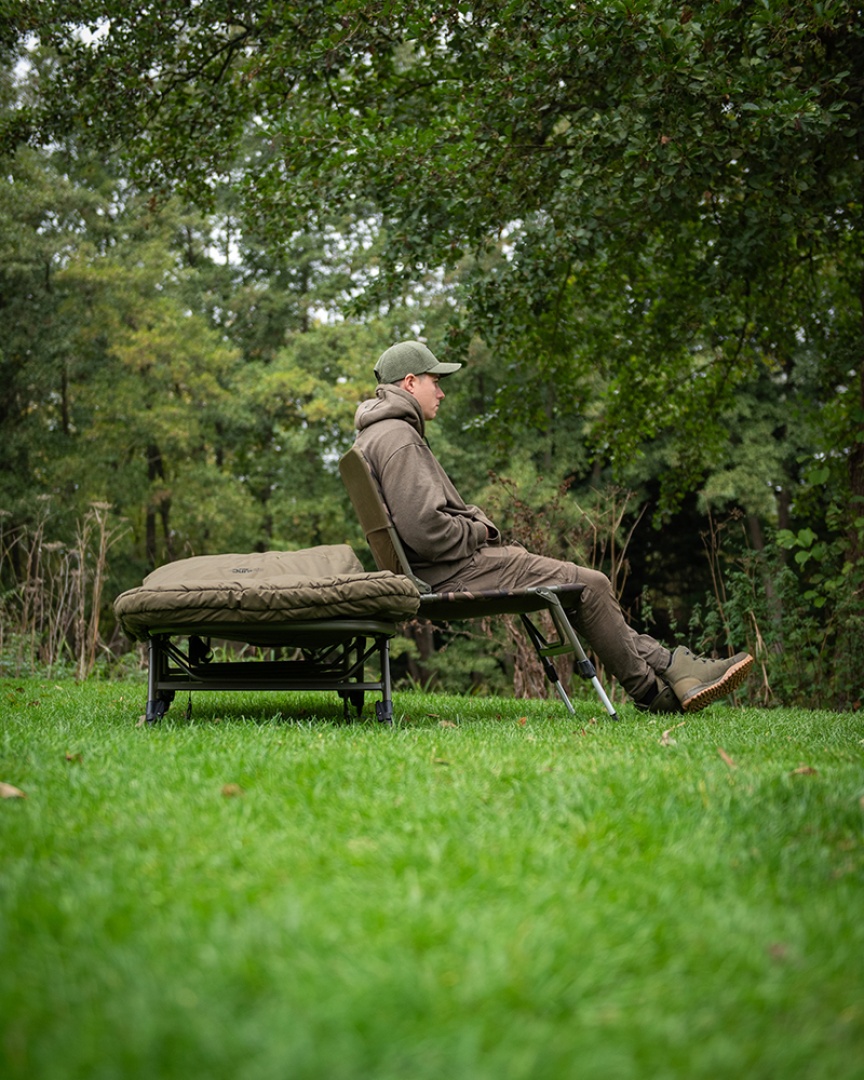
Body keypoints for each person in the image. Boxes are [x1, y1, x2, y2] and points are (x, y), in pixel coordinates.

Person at [353, 340, 754, 714]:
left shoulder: (376, 436)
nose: (441, 393)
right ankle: (657, 691)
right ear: (409, 382)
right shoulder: (401, 439)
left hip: (439, 570)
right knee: (590, 584)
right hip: (453, 571)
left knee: (578, 583)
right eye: (435, 382)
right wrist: (480, 528)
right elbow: (427, 531)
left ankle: (673, 671)